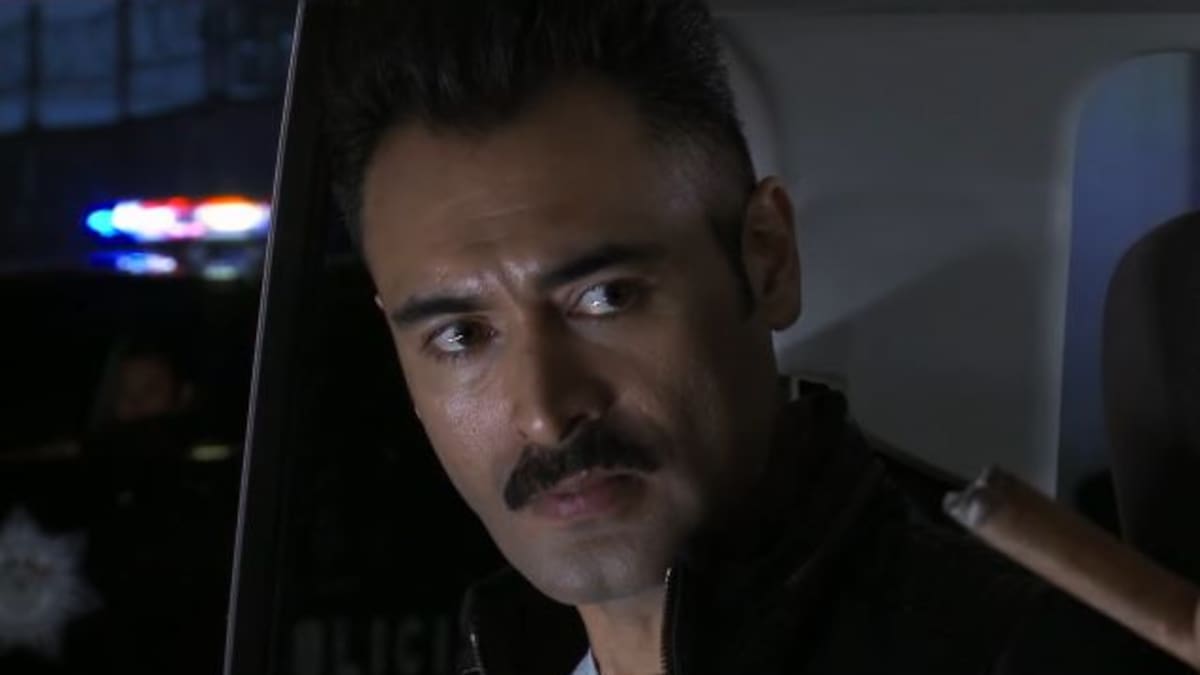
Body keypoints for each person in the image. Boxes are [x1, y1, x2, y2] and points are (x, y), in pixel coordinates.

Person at [320, 2, 1192, 673]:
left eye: (606, 296)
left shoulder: (1013, 653)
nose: (546, 411)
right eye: (462, 335)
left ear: (767, 260)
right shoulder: (510, 652)